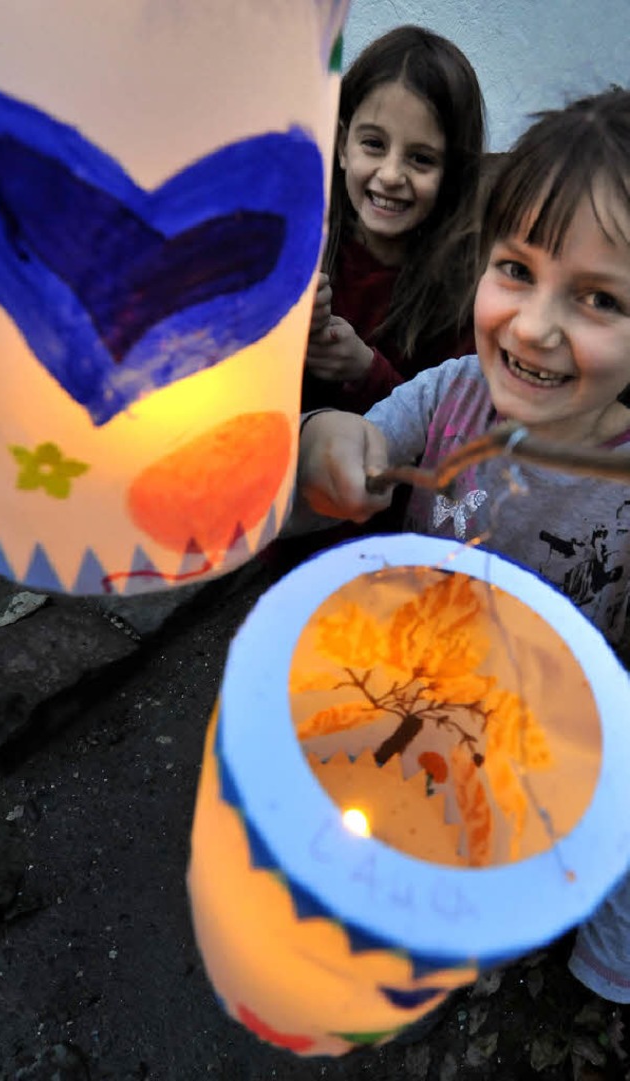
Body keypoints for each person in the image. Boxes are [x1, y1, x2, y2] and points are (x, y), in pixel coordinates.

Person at [295, 86, 630, 1004]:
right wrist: (332, 441)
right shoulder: (449, 394)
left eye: (598, 297)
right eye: (516, 270)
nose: (532, 325)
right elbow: (347, 436)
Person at [302, 25, 485, 415]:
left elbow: (448, 430)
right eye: (374, 144)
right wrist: (282, 319)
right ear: (342, 146)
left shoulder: (463, 295)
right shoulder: (300, 238)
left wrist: (365, 371)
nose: (390, 174)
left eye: (421, 158)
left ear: (453, 173)